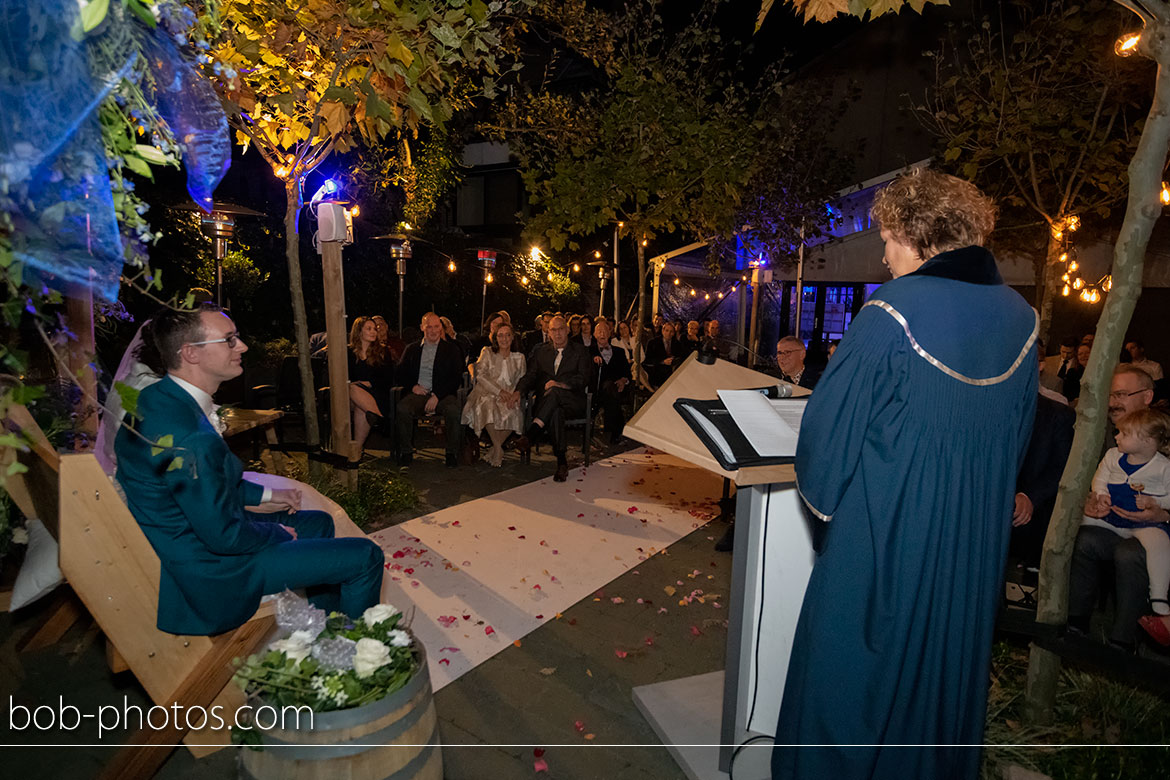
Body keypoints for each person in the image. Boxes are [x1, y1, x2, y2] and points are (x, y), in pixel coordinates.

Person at [773, 169, 1037, 780]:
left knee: (847, 674)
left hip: (885, 528)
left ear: (918, 237)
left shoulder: (892, 311)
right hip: (970, 542)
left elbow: (827, 433)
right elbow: (1019, 434)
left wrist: (831, 521)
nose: (886, 256)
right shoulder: (1023, 317)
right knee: (941, 666)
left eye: (889, 239)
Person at [114, 305, 384, 635]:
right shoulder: (190, 438)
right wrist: (275, 533)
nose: (241, 346)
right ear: (191, 354)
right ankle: (352, 658)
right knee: (366, 556)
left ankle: (326, 628)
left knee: (319, 520)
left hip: (192, 542)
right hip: (214, 572)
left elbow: (202, 485)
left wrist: (267, 494)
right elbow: (223, 535)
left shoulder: (157, 398)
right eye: (229, 340)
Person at [1068, 365, 1167, 650]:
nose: (1112, 403)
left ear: (1147, 396)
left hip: (1156, 532)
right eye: (1110, 395)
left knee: (1129, 554)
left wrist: (1163, 513)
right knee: (1082, 539)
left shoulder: (1162, 435)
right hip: (1114, 522)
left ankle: (1124, 642)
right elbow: (1087, 480)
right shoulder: (1101, 434)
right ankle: (1074, 625)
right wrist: (1090, 501)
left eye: (1121, 394)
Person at [1080, 409, 1170, 619]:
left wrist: (1155, 502)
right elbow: (1100, 478)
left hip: (1146, 524)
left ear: (1148, 441)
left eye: (1124, 434)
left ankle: (1158, 595)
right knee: (1075, 523)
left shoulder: (1164, 467)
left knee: (1159, 544)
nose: (1116, 437)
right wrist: (1100, 495)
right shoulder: (1113, 456)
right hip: (1112, 516)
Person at [510, 316, 590, 482]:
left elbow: (583, 378)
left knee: (554, 391)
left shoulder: (580, 351)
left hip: (573, 400)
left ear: (567, 330)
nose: (558, 333)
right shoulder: (541, 352)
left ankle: (531, 435)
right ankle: (562, 463)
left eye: (561, 329)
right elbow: (530, 376)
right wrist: (519, 391)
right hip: (548, 404)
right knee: (555, 411)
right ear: (548, 332)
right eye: (553, 330)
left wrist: (560, 384)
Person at [395, 312, 465, 468]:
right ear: (422, 328)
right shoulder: (412, 349)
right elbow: (400, 373)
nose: (433, 331)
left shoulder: (451, 349)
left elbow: (456, 377)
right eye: (429, 327)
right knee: (402, 409)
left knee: (453, 410)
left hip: (443, 393)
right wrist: (413, 387)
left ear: (441, 328)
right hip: (419, 392)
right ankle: (406, 451)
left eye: (436, 327)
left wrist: (437, 396)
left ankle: (451, 453)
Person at [461, 322, 525, 467]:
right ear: (495, 338)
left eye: (507, 335)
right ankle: (498, 449)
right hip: (487, 391)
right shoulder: (487, 352)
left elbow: (522, 380)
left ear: (512, 337)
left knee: (514, 409)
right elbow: (481, 376)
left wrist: (514, 395)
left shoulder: (519, 358)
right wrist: (498, 391)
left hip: (508, 394)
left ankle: (495, 449)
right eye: (500, 335)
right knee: (488, 405)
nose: (504, 339)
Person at [348, 316, 394, 455]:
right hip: (350, 395)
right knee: (351, 387)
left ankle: (357, 450)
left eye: (374, 328)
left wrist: (368, 383)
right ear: (359, 332)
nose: (374, 332)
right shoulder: (349, 352)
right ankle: (379, 418)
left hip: (376, 393)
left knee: (361, 409)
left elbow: (388, 378)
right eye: (369, 329)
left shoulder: (382, 351)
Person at [590, 320, 631, 444]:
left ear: (610, 333)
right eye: (599, 331)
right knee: (609, 387)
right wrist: (593, 361)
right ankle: (617, 432)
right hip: (596, 390)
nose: (602, 334)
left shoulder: (619, 351)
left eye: (605, 331)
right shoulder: (589, 351)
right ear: (594, 334)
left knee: (611, 390)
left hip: (617, 389)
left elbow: (627, 372)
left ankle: (615, 433)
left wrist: (623, 381)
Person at [644, 321, 685, 387]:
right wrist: (662, 361)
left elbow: (682, 356)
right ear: (663, 331)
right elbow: (647, 360)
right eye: (667, 330)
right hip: (657, 369)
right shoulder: (653, 343)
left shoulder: (677, 344)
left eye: (671, 331)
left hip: (673, 369)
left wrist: (674, 360)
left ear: (674, 333)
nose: (668, 333)